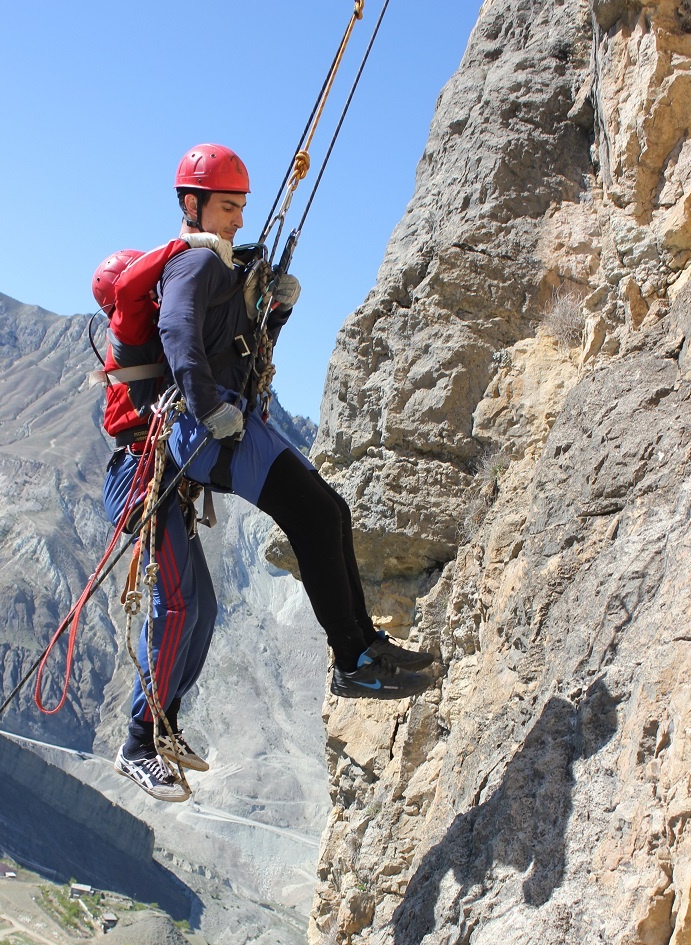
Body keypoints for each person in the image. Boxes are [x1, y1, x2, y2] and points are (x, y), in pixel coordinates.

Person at [159, 143, 435, 698]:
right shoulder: (194, 262)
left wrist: (276, 308)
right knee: (312, 515)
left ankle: (361, 642)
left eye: (240, 207)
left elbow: (240, 347)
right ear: (192, 204)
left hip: (229, 423)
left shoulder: (224, 266)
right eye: (226, 207)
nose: (238, 218)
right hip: (206, 430)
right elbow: (177, 331)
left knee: (331, 510)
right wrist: (207, 405)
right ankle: (353, 660)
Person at [93, 245, 217, 803]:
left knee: (203, 607)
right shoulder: (134, 344)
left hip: (159, 480)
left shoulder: (151, 344)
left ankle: (164, 720)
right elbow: (135, 292)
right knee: (179, 606)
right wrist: (187, 248)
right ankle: (139, 742)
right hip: (142, 479)